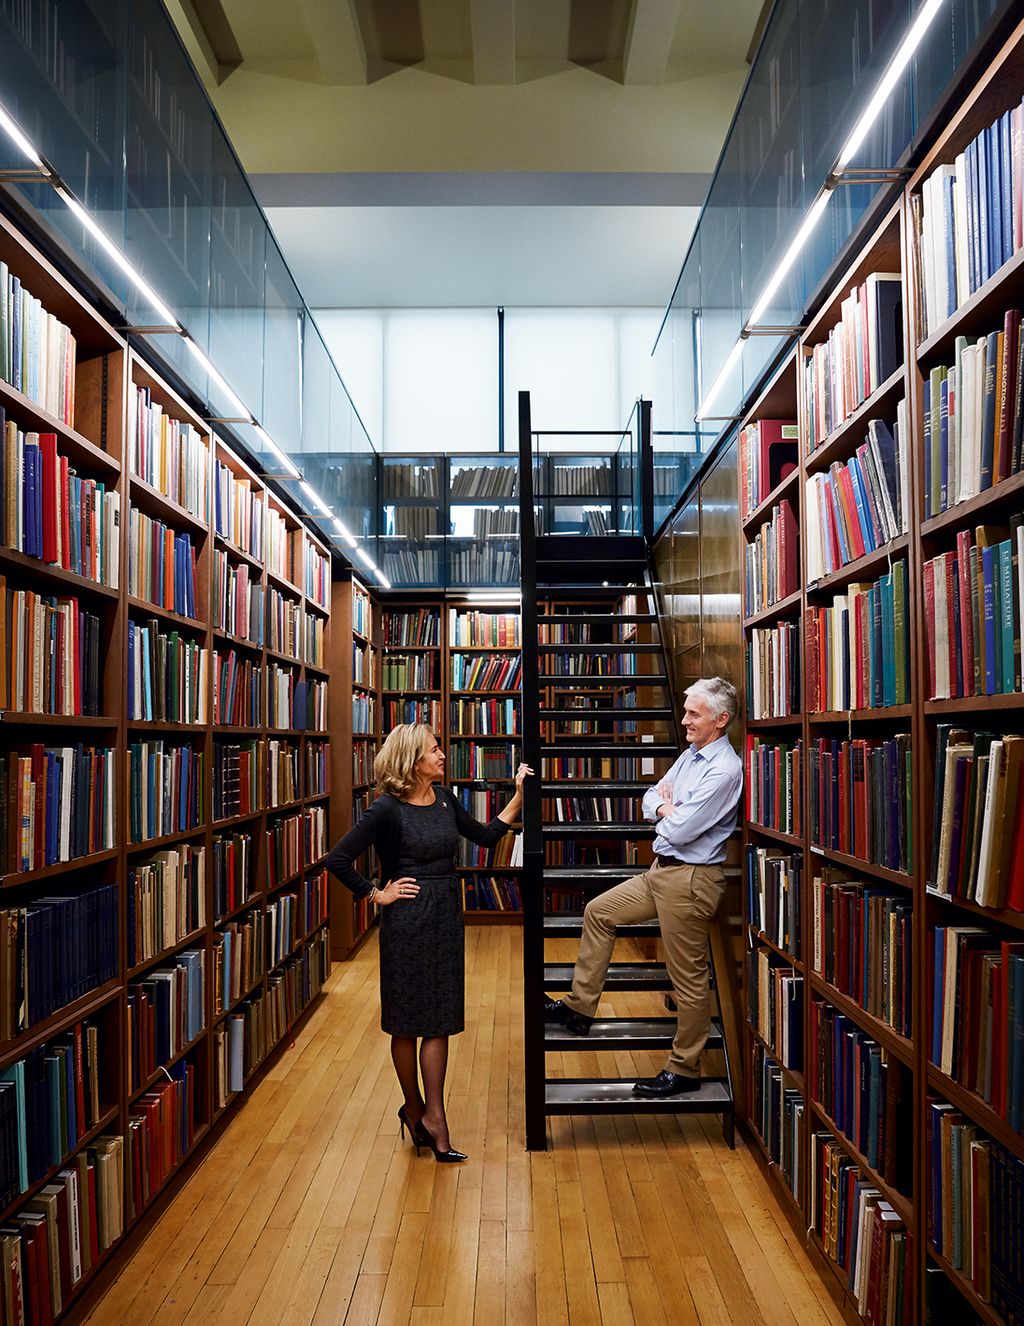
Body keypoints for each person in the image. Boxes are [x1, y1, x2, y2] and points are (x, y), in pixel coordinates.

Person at [326, 722, 533, 1159]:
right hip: (405, 921)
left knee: (439, 1016)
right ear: (412, 761)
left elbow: (485, 836)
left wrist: (517, 796)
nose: (442, 754)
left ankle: (434, 1116)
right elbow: (338, 859)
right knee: (406, 1019)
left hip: (444, 916)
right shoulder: (386, 809)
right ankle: (415, 1107)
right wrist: (376, 893)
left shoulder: (444, 799)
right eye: (434, 750)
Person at [544, 676, 742, 1096]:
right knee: (599, 912)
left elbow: (684, 828)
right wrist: (666, 806)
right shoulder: (691, 755)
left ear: (721, 720)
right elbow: (650, 797)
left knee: (687, 978)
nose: (685, 720)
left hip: (690, 879)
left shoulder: (725, 770)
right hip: (661, 870)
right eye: (686, 710)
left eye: (694, 713)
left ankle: (684, 1068)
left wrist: (667, 809)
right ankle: (580, 1008)